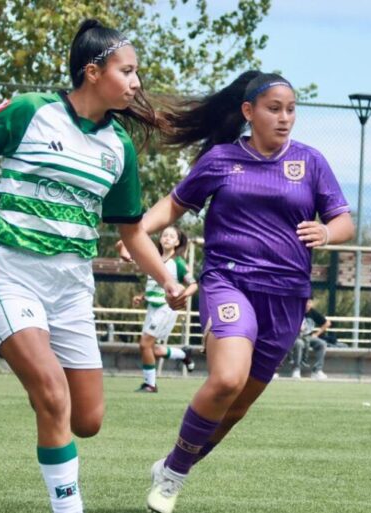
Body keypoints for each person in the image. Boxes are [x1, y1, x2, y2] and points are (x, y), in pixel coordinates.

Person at [0, 19, 185, 513]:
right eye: (127, 71)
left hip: (70, 287)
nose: (136, 82)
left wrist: (167, 279)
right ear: (93, 72)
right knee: (52, 393)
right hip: (9, 273)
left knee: (87, 420)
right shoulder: (30, 111)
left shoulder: (118, 147)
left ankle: (45, 391)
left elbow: (132, 232)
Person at [117, 70, 354, 513]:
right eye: (274, 109)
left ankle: (171, 465)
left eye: (291, 110)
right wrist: (136, 234)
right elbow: (173, 205)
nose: (284, 118)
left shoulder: (311, 162)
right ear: (249, 111)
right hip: (230, 282)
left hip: (287, 297)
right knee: (227, 379)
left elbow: (343, 221)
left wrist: (327, 231)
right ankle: (173, 479)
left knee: (236, 409)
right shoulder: (221, 159)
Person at [133, 226, 198, 393]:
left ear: (177, 242)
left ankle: (150, 385)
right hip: (152, 307)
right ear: (160, 239)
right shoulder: (154, 259)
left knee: (144, 345)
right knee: (151, 349)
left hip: (166, 308)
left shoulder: (178, 263)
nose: (167, 238)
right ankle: (183, 354)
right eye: (165, 235)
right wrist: (142, 296)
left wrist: (182, 296)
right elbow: (156, 284)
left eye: (171, 236)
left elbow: (193, 284)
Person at [291, 298, 328, 379]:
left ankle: (317, 371)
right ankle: (296, 369)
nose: (307, 304)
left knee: (322, 344)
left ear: (312, 304)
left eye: (309, 302)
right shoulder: (296, 311)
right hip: (297, 337)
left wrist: (317, 334)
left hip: (309, 337)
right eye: (306, 302)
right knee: (299, 344)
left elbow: (327, 323)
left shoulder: (313, 312)